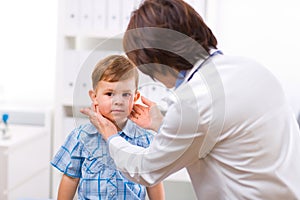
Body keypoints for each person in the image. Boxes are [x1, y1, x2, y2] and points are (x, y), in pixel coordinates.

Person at [81, 0, 300, 199]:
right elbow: (224, 137)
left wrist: (110, 135)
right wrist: (161, 124)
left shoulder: (193, 103)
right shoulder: (250, 68)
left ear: (156, 61)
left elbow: (146, 170)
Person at [51, 55, 164, 200]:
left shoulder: (145, 140)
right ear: (94, 96)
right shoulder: (80, 137)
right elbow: (70, 178)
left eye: (126, 94)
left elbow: (153, 182)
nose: (118, 101)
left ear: (135, 97)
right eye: (110, 94)